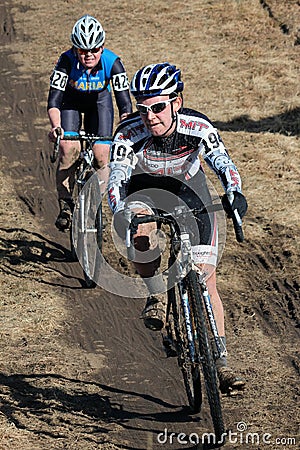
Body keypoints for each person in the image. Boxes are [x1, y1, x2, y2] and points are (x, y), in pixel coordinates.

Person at [107, 62, 248, 394]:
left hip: (190, 192)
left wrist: (235, 193)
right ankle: (154, 291)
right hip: (145, 192)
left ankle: (222, 363)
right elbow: (116, 180)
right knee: (141, 233)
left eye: (158, 107)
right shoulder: (128, 134)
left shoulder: (197, 127)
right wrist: (122, 213)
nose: (151, 116)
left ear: (177, 103)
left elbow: (223, 162)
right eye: (143, 109)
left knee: (205, 277)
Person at [47, 14, 132, 231]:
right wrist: (57, 128)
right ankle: (66, 204)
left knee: (103, 154)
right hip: (71, 104)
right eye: (83, 50)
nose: (89, 54)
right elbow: (54, 101)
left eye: (94, 49)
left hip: (99, 105)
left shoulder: (113, 63)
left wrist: (126, 131)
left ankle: (95, 203)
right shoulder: (66, 61)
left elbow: (124, 106)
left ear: (102, 47)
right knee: (68, 149)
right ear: (75, 49)